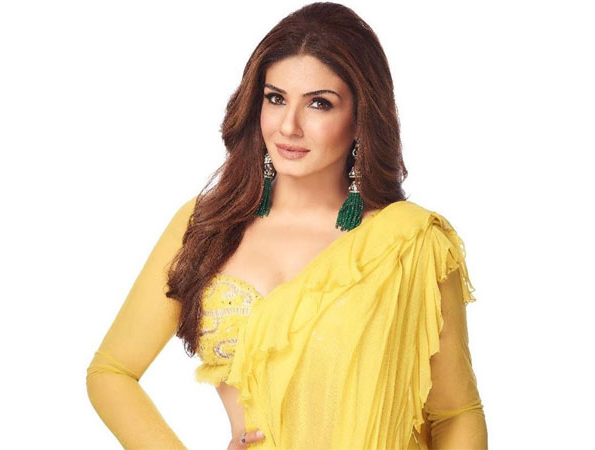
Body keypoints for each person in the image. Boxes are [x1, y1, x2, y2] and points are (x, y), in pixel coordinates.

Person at [86, 2, 488, 449]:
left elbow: (455, 413)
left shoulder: (410, 243)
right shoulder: (206, 225)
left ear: (360, 118)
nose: (289, 126)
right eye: (275, 98)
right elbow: (112, 372)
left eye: (319, 103)